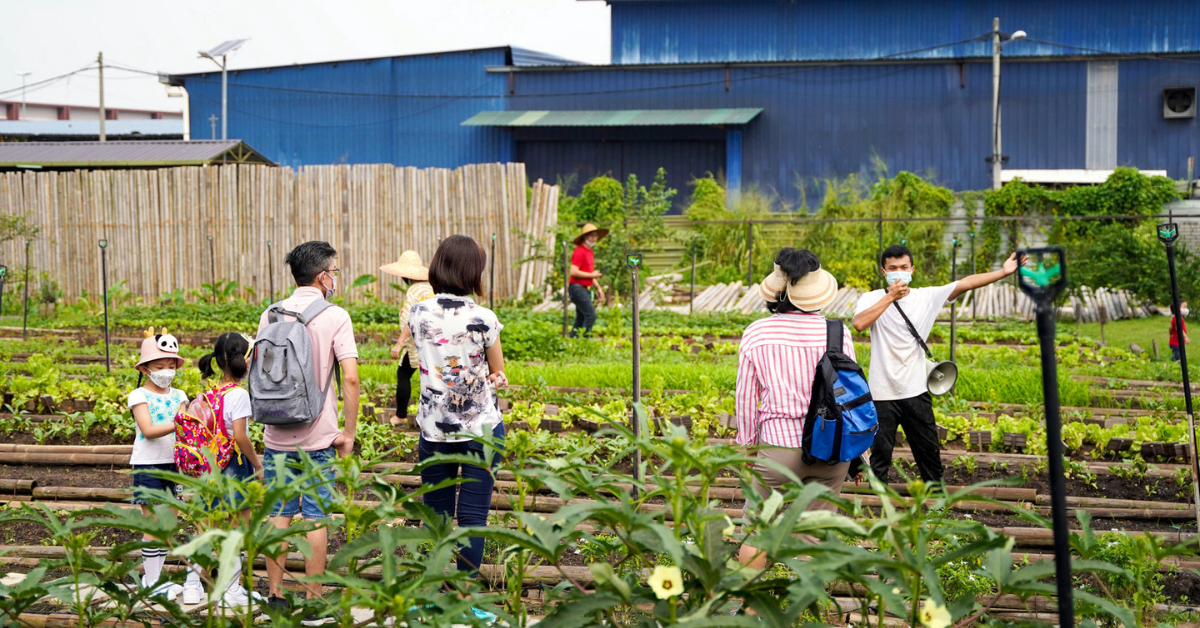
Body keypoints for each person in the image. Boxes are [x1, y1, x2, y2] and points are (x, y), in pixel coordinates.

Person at [852, 245, 1021, 484]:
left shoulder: (926, 297)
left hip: (916, 390)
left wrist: (1003, 272)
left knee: (928, 453)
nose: (898, 272)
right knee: (880, 457)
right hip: (881, 393)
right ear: (883, 271)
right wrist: (890, 296)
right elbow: (859, 323)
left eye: (903, 267)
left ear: (913, 269)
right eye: (892, 268)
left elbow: (965, 283)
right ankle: (875, 508)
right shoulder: (871, 298)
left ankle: (936, 507)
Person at [256, 241, 361, 616]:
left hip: (275, 437)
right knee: (315, 516)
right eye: (334, 271)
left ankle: (276, 595)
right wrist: (347, 434)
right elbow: (349, 379)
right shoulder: (335, 316)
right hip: (317, 438)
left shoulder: (269, 314)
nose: (336, 277)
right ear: (322, 276)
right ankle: (315, 601)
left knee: (279, 515)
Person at [735, 248, 854, 571]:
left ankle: (749, 610)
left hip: (777, 450)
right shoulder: (837, 333)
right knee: (812, 533)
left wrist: (748, 449)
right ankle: (797, 611)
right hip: (830, 449)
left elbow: (746, 402)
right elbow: (848, 393)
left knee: (757, 530)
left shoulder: (757, 334)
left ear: (777, 289)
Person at [401, 234, 507, 574]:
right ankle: (465, 600)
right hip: (482, 430)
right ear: (474, 272)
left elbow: (430, 354)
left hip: (434, 430)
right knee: (473, 518)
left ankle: (435, 594)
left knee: (437, 518)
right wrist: (496, 376)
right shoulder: (485, 318)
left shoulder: (417, 314)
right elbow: (497, 368)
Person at [128, 327, 204, 603]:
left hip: (176, 465)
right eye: (160, 366)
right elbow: (147, 430)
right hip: (148, 465)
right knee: (153, 523)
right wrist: (182, 422)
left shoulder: (180, 394)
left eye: (171, 366)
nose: (166, 371)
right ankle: (151, 582)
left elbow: (187, 432)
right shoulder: (138, 396)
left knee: (168, 523)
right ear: (146, 368)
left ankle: (154, 580)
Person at [196, 332, 264, 608]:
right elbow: (240, 436)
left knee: (211, 524)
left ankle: (200, 583)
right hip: (235, 464)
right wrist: (257, 465)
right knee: (239, 525)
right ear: (243, 362)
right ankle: (231, 589)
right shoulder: (239, 394)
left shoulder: (211, 390)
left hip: (211, 464)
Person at [382, 250, 434, 418]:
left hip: (415, 342)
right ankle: (430, 415)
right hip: (433, 341)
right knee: (431, 377)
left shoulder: (414, 290)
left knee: (403, 375)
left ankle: (400, 415)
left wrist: (399, 344)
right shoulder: (432, 287)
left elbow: (410, 319)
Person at [568, 223, 608, 338]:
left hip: (584, 288)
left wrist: (598, 287)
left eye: (595, 236)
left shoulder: (589, 252)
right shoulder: (579, 251)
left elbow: (589, 274)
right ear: (585, 237)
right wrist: (592, 275)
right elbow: (574, 271)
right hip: (577, 287)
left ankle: (572, 341)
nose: (594, 238)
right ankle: (585, 340)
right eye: (591, 236)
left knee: (581, 318)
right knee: (591, 315)